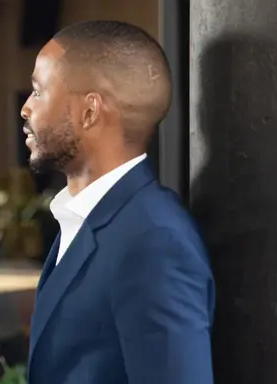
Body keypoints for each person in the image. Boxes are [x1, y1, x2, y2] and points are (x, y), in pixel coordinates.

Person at [21, 20, 214, 383]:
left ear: (90, 111)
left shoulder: (155, 241)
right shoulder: (90, 220)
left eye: (38, 91)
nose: (26, 109)